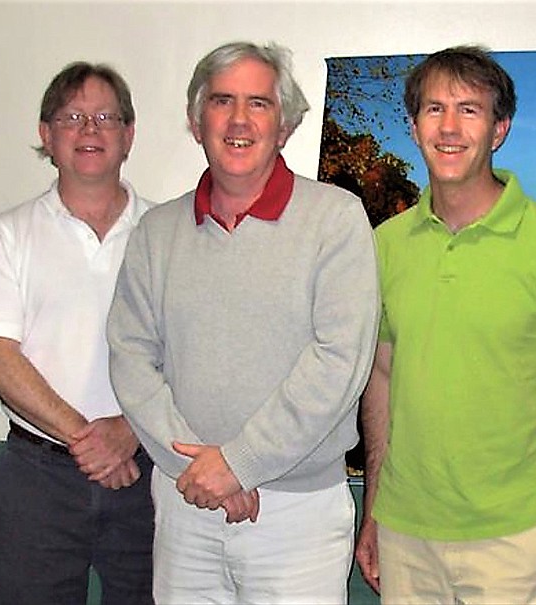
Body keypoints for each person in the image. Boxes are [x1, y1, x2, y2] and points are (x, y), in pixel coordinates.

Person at [107, 41, 379, 604]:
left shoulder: (335, 219)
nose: (238, 119)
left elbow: (338, 362)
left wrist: (238, 464)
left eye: (258, 103)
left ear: (284, 126)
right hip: (185, 504)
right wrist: (207, 473)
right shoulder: (156, 234)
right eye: (222, 101)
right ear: (195, 119)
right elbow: (131, 358)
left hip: (297, 517)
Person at [355, 45, 536, 604]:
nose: (449, 127)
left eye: (469, 110)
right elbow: (380, 381)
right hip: (405, 535)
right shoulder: (384, 245)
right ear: (413, 125)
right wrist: (375, 509)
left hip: (515, 539)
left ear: (499, 129)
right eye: (434, 109)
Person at [0, 62, 154, 605]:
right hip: (39, 479)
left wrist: (130, 432)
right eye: (73, 117)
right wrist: (88, 440)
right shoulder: (8, 235)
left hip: (147, 472)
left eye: (104, 117)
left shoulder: (166, 234)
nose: (90, 130)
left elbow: (187, 356)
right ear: (47, 135)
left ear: (128, 136)